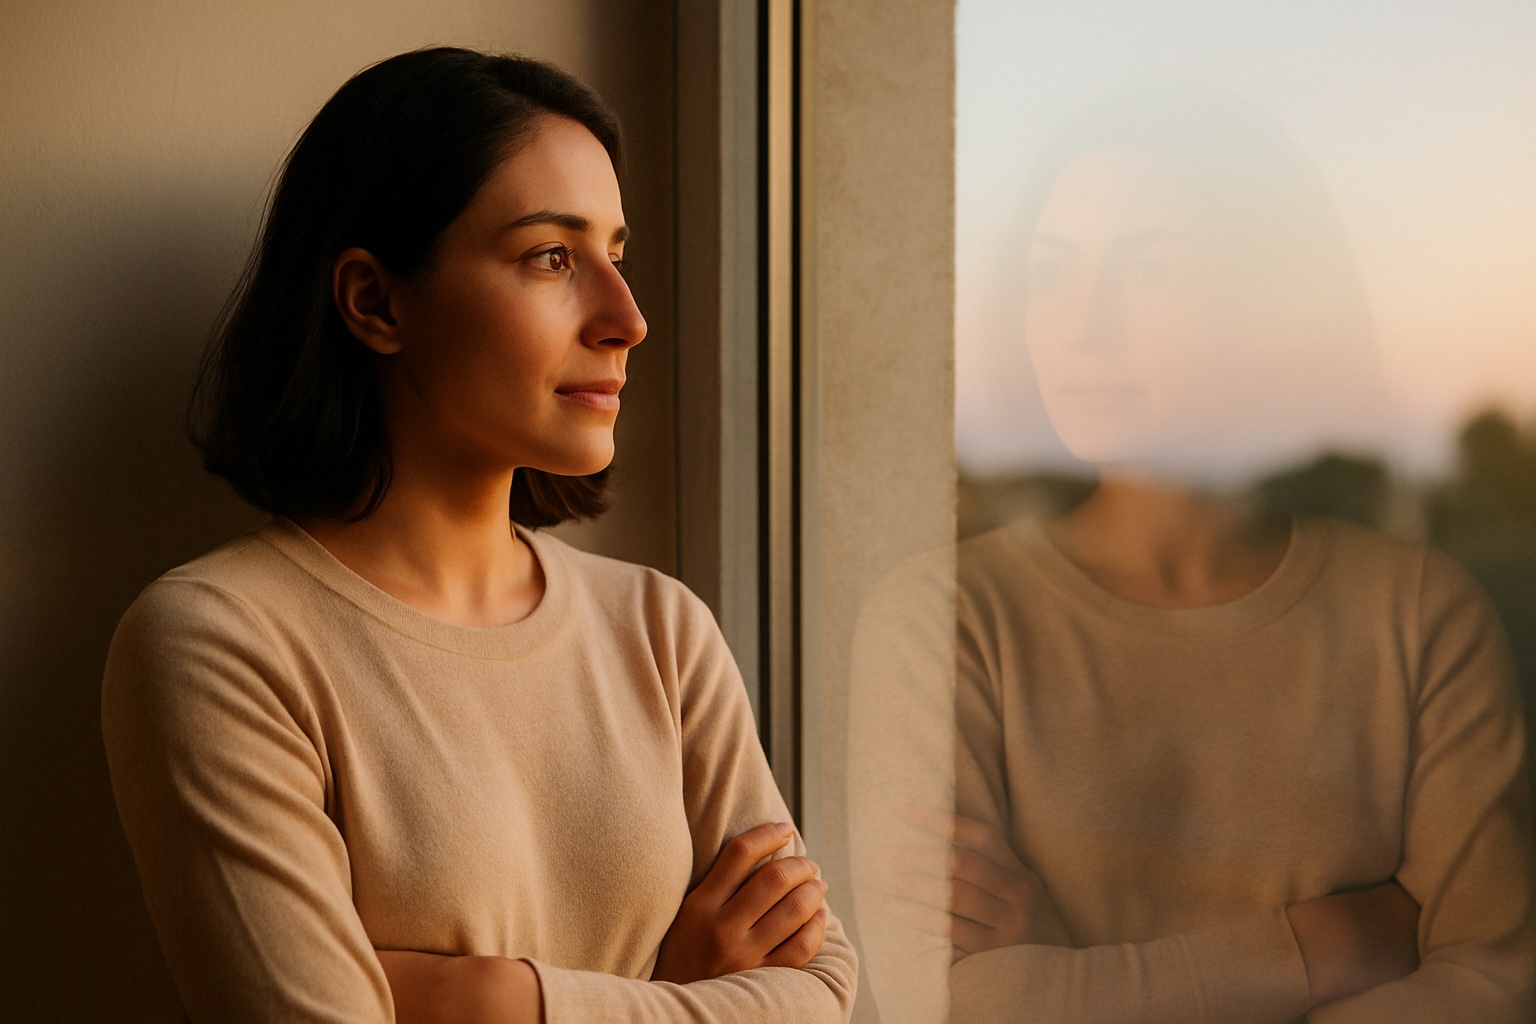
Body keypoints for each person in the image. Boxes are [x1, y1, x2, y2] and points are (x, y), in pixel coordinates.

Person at [101, 47, 856, 1024]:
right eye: (551, 255)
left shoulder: (661, 630)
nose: (627, 318)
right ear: (376, 300)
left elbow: (824, 994)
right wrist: (674, 987)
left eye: (615, 254)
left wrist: (492, 999)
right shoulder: (221, 645)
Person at [850, 87, 1534, 1023]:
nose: (1086, 323)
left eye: (1150, 271)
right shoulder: (945, 620)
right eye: (1052, 274)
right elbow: (956, 1008)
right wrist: (1324, 948)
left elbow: (1488, 988)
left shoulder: (1419, 614)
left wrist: (1078, 971)